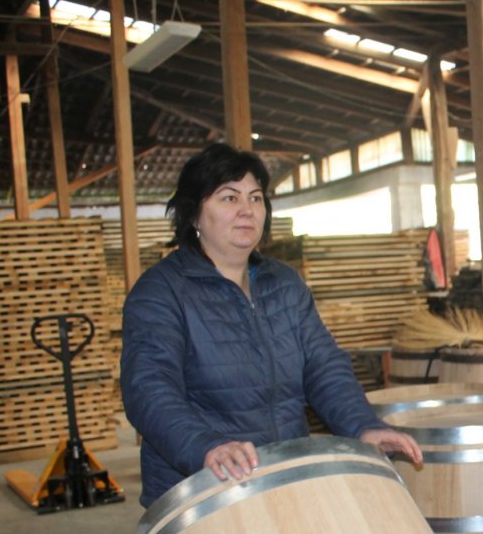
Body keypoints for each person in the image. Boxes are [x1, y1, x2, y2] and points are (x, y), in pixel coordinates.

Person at [121, 142, 421, 508]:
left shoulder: (283, 284)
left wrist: (362, 426)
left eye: (256, 198)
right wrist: (206, 446)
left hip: (281, 474)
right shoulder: (161, 291)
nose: (247, 210)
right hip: (199, 492)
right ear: (194, 216)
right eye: (229, 198)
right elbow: (148, 388)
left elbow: (322, 365)